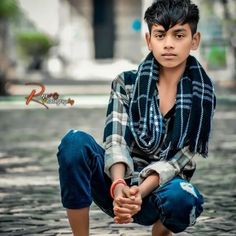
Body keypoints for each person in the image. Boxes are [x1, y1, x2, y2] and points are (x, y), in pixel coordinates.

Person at [57, 0, 216, 235]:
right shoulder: (126, 83)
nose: (169, 44)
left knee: (185, 198)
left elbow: (177, 161)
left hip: (159, 189)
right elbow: (116, 140)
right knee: (73, 142)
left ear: (195, 40)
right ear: (148, 40)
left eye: (179, 35)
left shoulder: (202, 95)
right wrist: (120, 185)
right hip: (115, 184)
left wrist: (139, 193)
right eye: (160, 35)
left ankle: (161, 229)